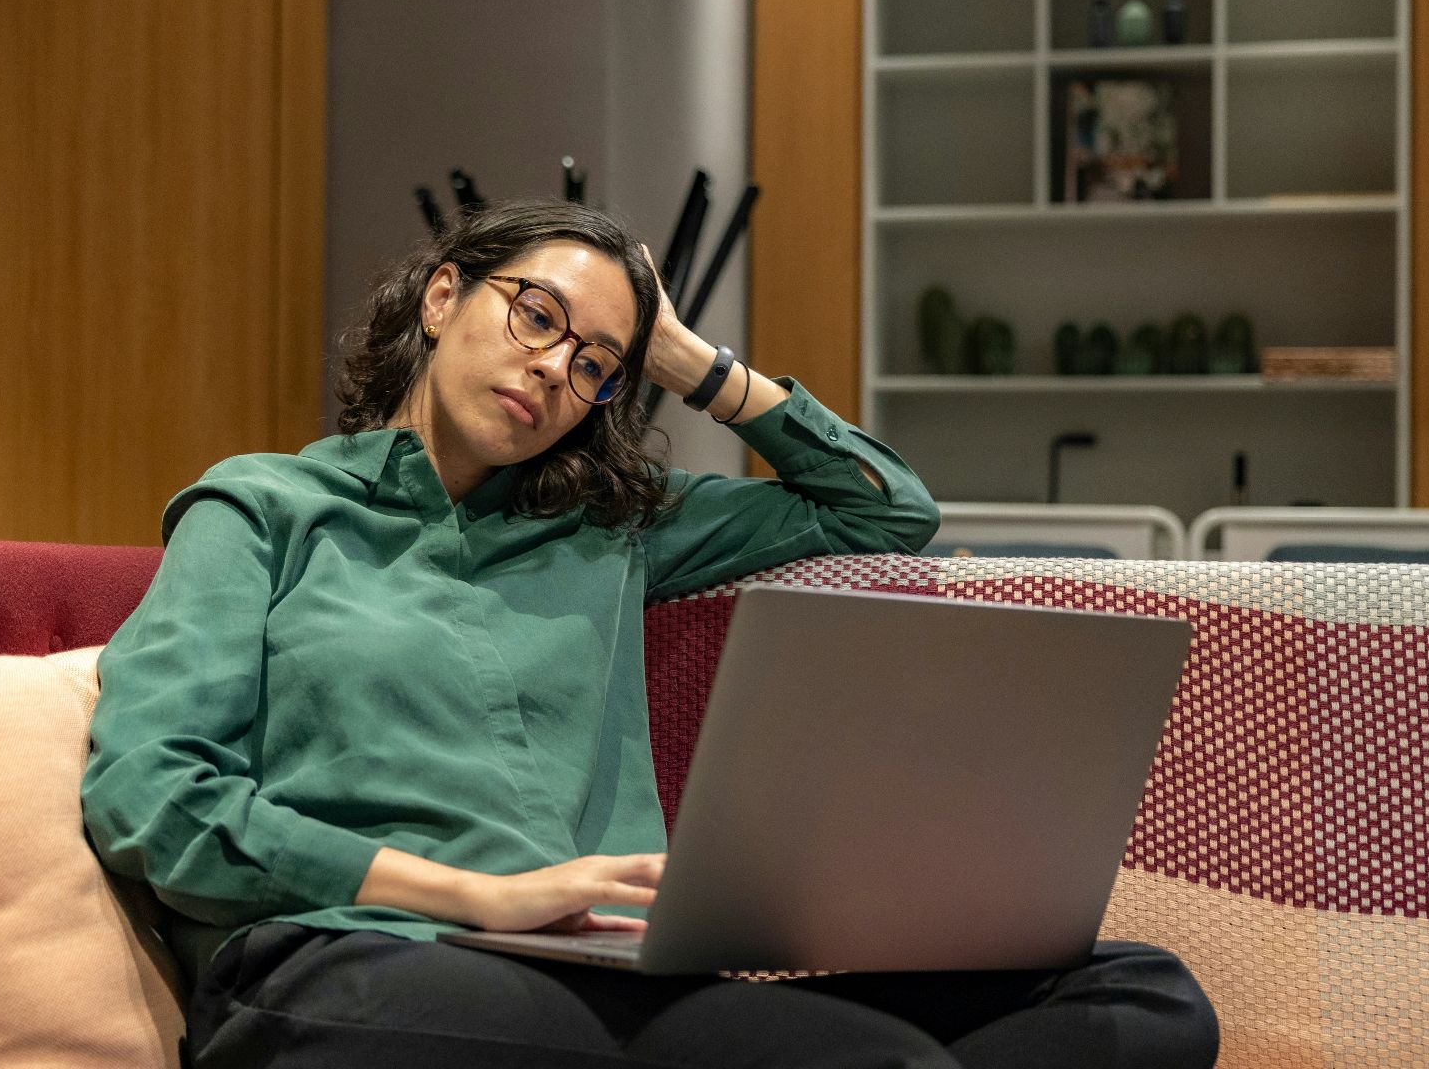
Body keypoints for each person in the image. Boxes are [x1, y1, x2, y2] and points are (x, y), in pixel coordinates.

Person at [81, 199, 1218, 1068]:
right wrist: (472, 896)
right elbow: (150, 795)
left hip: (599, 971)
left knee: (1143, 1005)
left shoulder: (607, 532)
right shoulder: (264, 507)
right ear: (441, 299)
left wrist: (688, 361)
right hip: (348, 964)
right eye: (536, 315)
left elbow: (885, 509)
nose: (552, 366)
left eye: (593, 365)